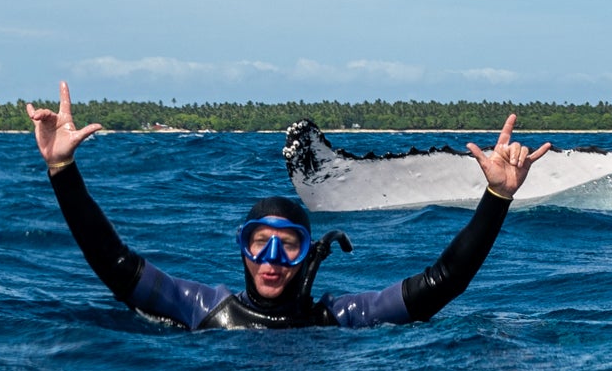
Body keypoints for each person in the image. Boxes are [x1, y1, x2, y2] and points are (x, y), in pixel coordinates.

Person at [28, 83, 550, 330]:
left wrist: (498, 196)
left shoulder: (339, 317)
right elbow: (114, 264)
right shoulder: (201, 308)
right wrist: (62, 171)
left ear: (308, 254)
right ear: (244, 253)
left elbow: (443, 282)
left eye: (288, 244)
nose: (273, 257)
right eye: (261, 243)